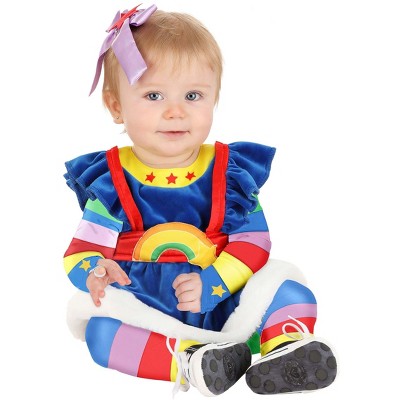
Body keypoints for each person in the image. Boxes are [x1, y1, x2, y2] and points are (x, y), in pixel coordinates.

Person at [63, 3, 337, 397]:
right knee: (101, 335)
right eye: (153, 95)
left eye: (193, 95)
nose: (175, 112)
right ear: (116, 105)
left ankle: (286, 350)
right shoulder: (112, 182)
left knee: (289, 291)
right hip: (148, 307)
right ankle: (194, 362)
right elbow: (82, 250)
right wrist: (95, 271)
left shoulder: (227, 172)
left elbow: (253, 241)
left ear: (214, 99)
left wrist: (215, 283)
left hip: (225, 297)